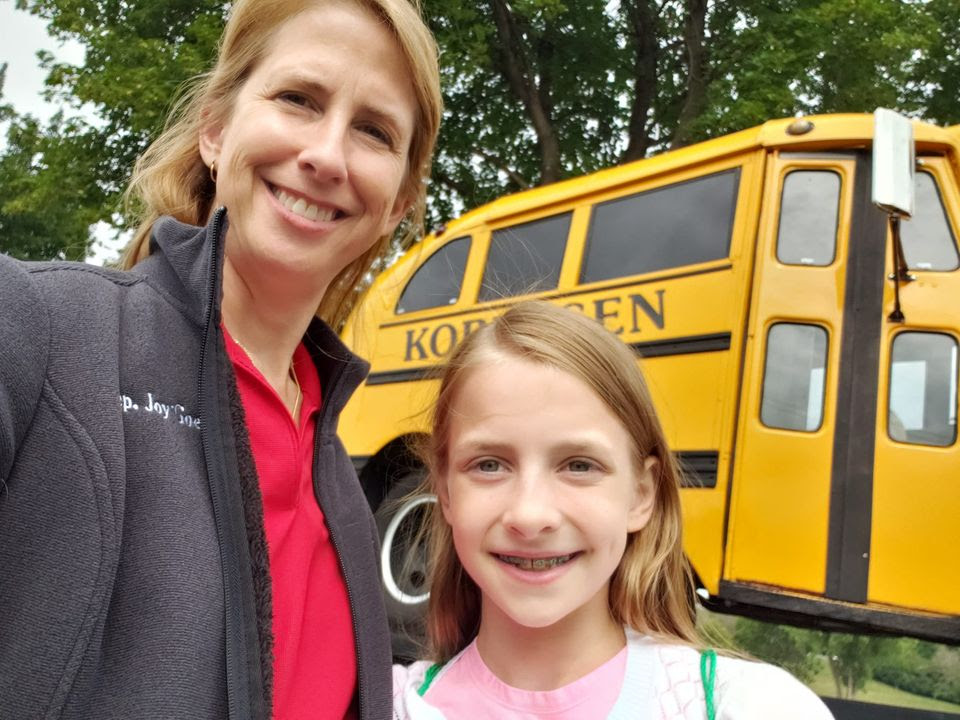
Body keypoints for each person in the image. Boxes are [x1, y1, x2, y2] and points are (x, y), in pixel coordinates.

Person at [0, 0, 442, 718]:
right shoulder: (43, 327)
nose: (327, 156)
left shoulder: (341, 484)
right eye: (298, 99)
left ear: (397, 205)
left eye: (373, 131)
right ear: (215, 128)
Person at [392, 301, 834, 719]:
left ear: (641, 495)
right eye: (489, 465)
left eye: (580, 465)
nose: (529, 515)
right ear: (446, 493)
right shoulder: (384, 706)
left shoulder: (756, 706)